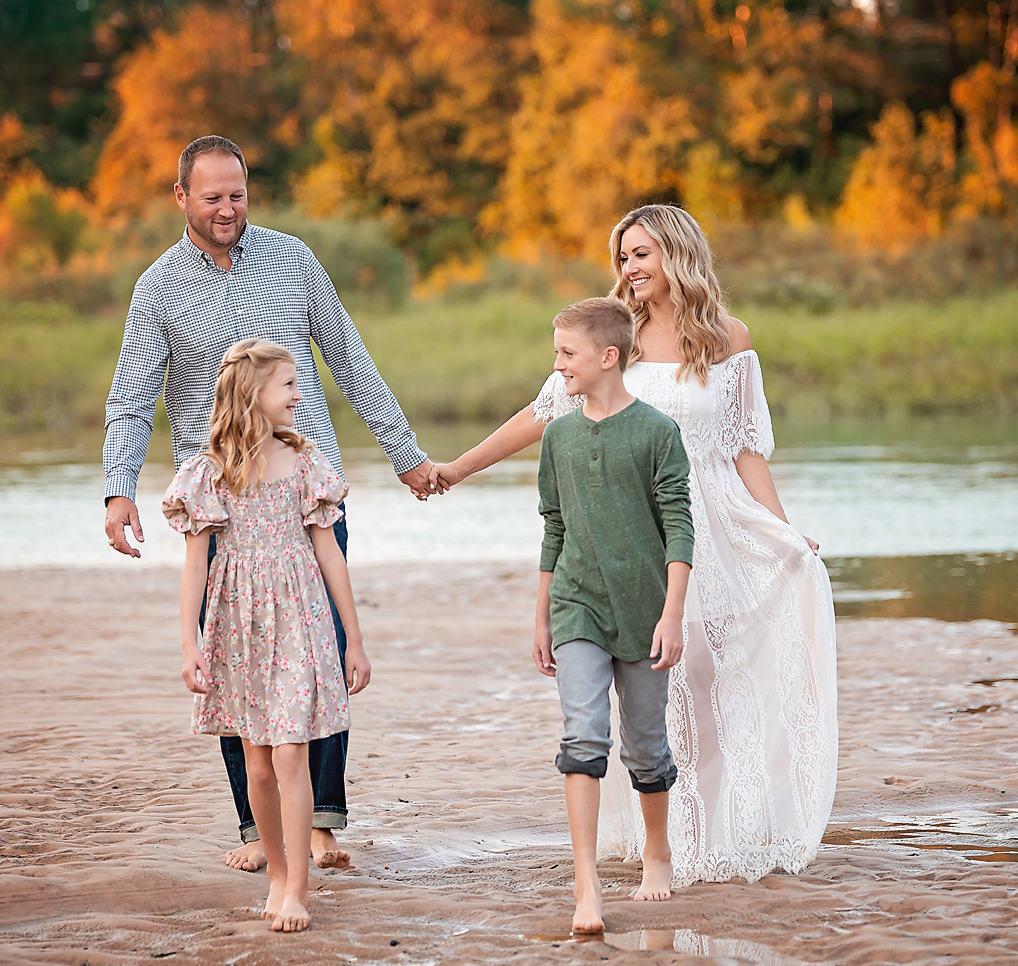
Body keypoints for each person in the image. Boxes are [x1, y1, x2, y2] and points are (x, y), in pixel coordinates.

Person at [435, 205, 838, 886]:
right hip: (631, 529)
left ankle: (714, 834)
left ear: (676, 253)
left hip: (717, 528)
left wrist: (784, 529)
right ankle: (667, 840)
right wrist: (458, 468)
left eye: (641, 254)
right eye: (623, 256)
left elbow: (744, 448)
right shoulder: (615, 333)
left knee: (710, 679)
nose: (630, 268)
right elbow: (543, 414)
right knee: (658, 684)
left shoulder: (728, 338)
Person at [103, 135, 441, 874]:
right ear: (181, 197)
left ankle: (320, 820)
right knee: (235, 659)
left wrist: (406, 455)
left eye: (238, 195)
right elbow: (131, 399)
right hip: (223, 503)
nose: (228, 209)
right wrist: (118, 489)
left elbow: (349, 359)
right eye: (213, 196)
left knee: (319, 651)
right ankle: (258, 828)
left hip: (304, 493)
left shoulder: (294, 261)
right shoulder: (157, 288)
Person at [163, 338, 369, 933]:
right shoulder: (208, 474)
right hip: (238, 627)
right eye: (290, 386)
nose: (301, 396)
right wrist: (189, 644)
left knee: (290, 754)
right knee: (256, 766)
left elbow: (330, 557)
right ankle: (277, 873)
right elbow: (195, 567)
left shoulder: (306, 467)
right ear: (252, 395)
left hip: (300, 619)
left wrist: (352, 638)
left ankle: (299, 888)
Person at [535, 296, 693, 934]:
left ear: (608, 357)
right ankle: (586, 884)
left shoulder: (657, 432)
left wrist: (672, 615)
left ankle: (657, 850)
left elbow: (680, 529)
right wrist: (541, 615)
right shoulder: (558, 436)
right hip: (577, 604)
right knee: (582, 736)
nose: (558, 364)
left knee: (647, 747)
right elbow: (553, 527)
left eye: (567, 354)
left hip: (644, 608)